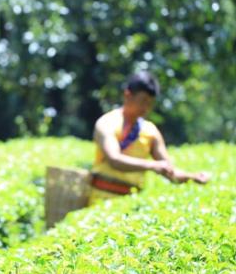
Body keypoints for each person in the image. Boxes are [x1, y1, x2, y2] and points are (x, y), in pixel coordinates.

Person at [89, 71, 210, 204]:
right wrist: (151, 165)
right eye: (143, 101)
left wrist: (193, 177)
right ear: (127, 95)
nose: (146, 108)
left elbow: (169, 171)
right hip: (99, 200)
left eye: (150, 103)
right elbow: (114, 160)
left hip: (131, 203)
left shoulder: (151, 131)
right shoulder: (107, 123)